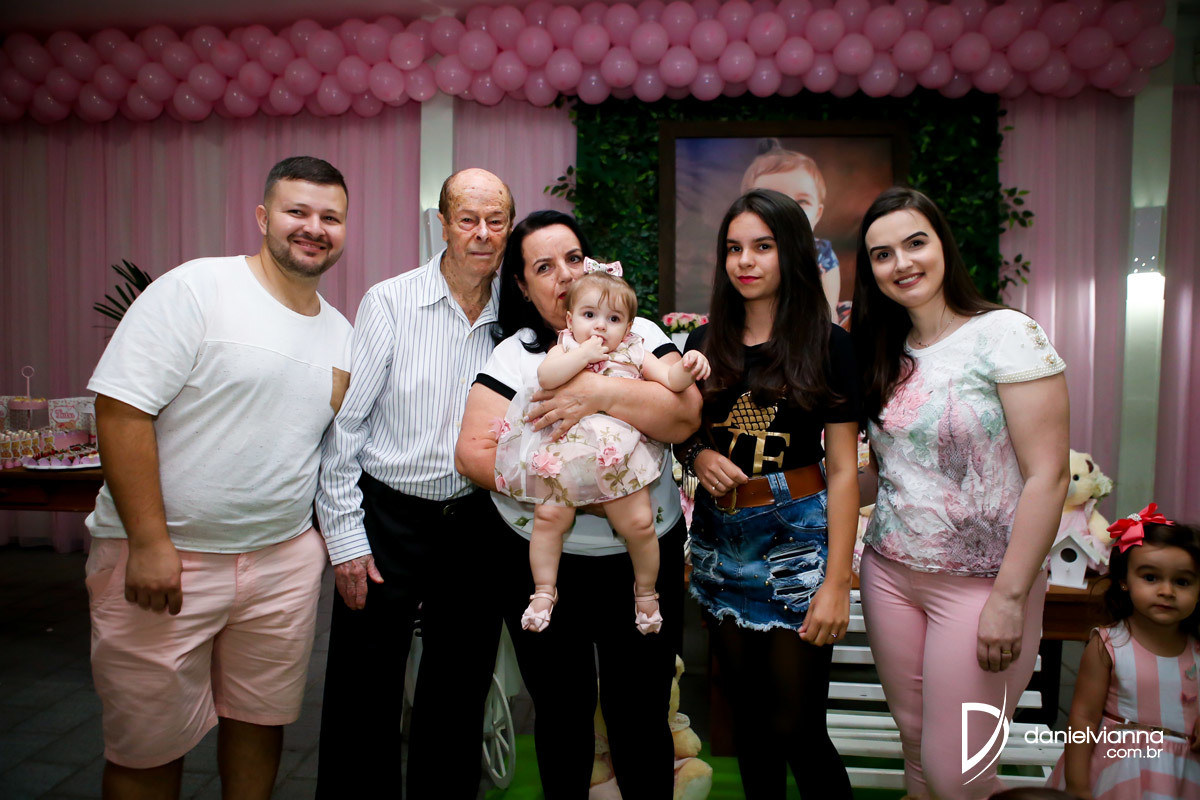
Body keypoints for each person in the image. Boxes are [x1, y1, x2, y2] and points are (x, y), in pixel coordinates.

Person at [83, 156, 352, 799]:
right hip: (167, 559)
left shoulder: (342, 334)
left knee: (261, 721)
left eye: (331, 217)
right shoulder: (197, 289)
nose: (313, 228)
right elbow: (121, 411)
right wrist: (150, 542)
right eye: (297, 211)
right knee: (147, 745)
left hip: (282, 564)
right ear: (263, 217)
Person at [455, 209, 701, 799]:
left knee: (641, 710)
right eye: (544, 267)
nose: (564, 275)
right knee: (562, 711)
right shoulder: (517, 356)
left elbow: (684, 415)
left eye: (573, 258)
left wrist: (599, 390)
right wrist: (577, 490)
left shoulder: (639, 334)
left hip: (641, 552)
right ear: (523, 286)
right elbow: (472, 453)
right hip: (544, 557)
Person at [850, 186, 1070, 799]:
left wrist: (1010, 597)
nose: (902, 263)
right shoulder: (883, 351)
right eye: (882, 254)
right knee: (917, 749)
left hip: (983, 585)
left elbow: (1048, 476)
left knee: (959, 772)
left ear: (943, 244)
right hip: (889, 573)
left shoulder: (1007, 333)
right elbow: (889, 469)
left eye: (915, 243)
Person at [315, 168, 514, 799]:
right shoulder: (390, 301)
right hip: (388, 516)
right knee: (364, 685)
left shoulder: (517, 314)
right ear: (443, 223)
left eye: (496, 221)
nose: (482, 234)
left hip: (475, 520)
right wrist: (346, 539)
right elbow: (347, 428)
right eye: (468, 220)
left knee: (459, 687)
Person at [674, 188, 859, 799]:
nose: (745, 261)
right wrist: (698, 454)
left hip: (796, 544)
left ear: (793, 252)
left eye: (762, 247)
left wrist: (837, 583)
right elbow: (679, 433)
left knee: (797, 728)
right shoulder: (703, 343)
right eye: (734, 248)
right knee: (749, 725)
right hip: (719, 542)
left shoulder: (829, 345)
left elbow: (842, 471)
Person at [495, 258, 711, 634]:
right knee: (549, 519)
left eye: (613, 319)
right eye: (589, 315)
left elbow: (671, 381)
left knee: (639, 524)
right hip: (567, 454)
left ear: (628, 327)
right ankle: (544, 589)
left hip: (618, 457)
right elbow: (547, 375)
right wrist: (583, 355)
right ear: (570, 320)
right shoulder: (565, 347)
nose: (599, 326)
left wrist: (689, 366)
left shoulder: (634, 350)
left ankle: (646, 592)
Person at [1049, 510, 1200, 799]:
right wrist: (1077, 785)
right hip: (1116, 772)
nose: (1167, 591)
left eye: (1182, 582)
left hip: (1183, 777)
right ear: (1124, 580)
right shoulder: (1109, 645)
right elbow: (1083, 719)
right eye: (1151, 577)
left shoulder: (1197, 649)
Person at [741, 138, 841, 319]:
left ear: (818, 214)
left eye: (802, 201)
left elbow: (828, 310)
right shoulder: (744, 254)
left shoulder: (820, 253)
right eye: (771, 201)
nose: (788, 211)